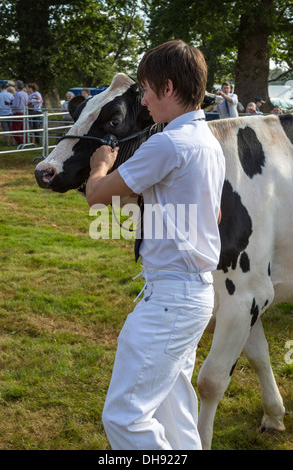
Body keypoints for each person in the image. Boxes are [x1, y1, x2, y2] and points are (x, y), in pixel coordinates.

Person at [85, 40, 225, 450]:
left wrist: (101, 166)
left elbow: (97, 196)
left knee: (125, 415)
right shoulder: (207, 142)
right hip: (193, 294)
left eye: (145, 90)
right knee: (173, 410)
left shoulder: (166, 144)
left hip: (169, 299)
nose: (143, 102)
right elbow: (211, 217)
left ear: (166, 88)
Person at [11, 80, 28, 145]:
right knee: (24, 128)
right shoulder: (25, 93)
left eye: (15, 85)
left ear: (17, 86)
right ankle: (26, 141)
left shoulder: (18, 94)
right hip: (24, 112)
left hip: (18, 112)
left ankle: (20, 142)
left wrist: (10, 105)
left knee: (15, 129)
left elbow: (16, 105)